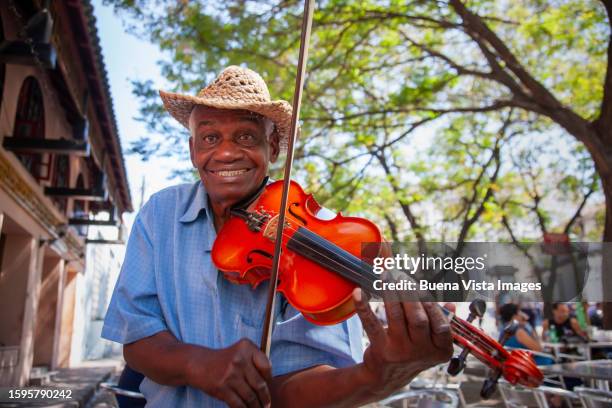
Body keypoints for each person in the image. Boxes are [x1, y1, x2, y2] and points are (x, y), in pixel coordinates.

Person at [102, 66, 453, 407]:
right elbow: (137, 338)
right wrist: (198, 363)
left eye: (246, 137)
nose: (225, 152)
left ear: (273, 148)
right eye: (210, 138)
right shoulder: (159, 214)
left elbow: (300, 387)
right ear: (193, 150)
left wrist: (375, 375)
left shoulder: (321, 236)